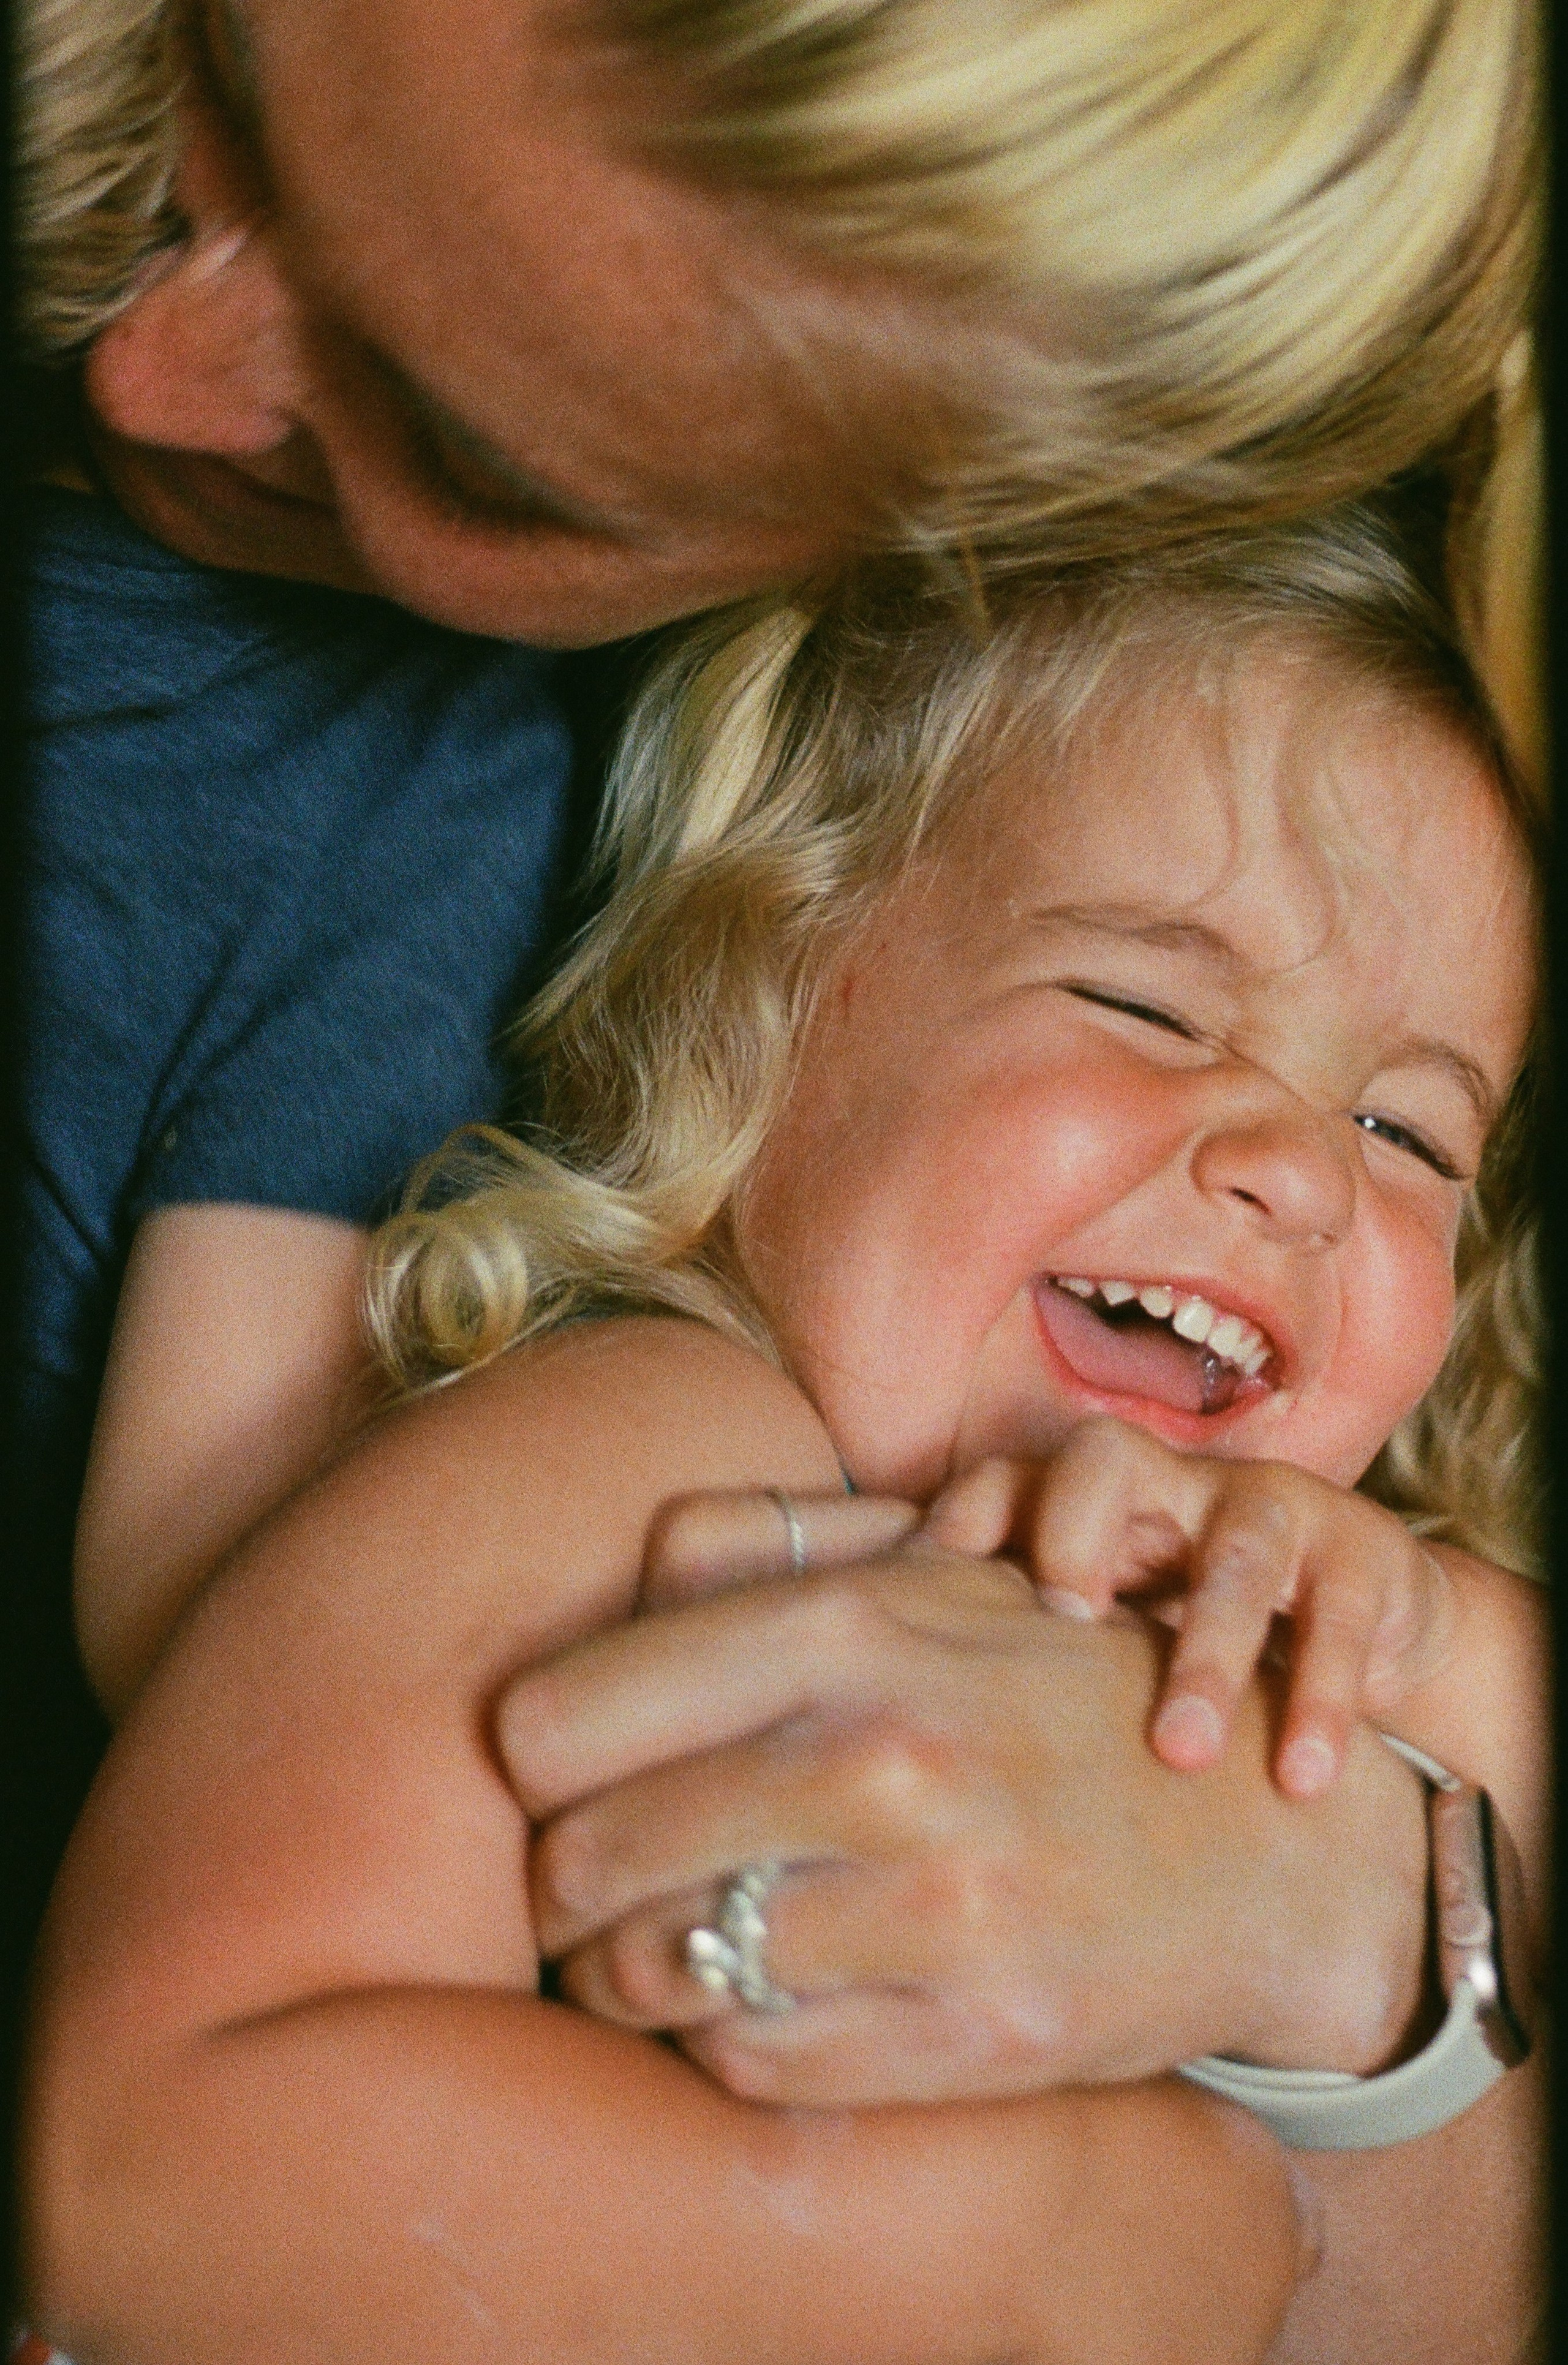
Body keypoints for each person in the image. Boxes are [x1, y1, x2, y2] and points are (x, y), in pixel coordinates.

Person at [24, 506, 1547, 2363]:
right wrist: (1036, 2248)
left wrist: (1418, 1640)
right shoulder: (652, 1449)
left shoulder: (1278, 1620)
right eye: (1147, 1004)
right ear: (765, 996)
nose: (1301, 1171)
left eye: (1410, 1137)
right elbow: (148, 2154)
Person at [17, 0, 1539, 1734]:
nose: (142, 369)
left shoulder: (412, 798)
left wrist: (1394, 1744)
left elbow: (252, 1700)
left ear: (913, 554)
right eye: (227, 76)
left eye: (487, 458)